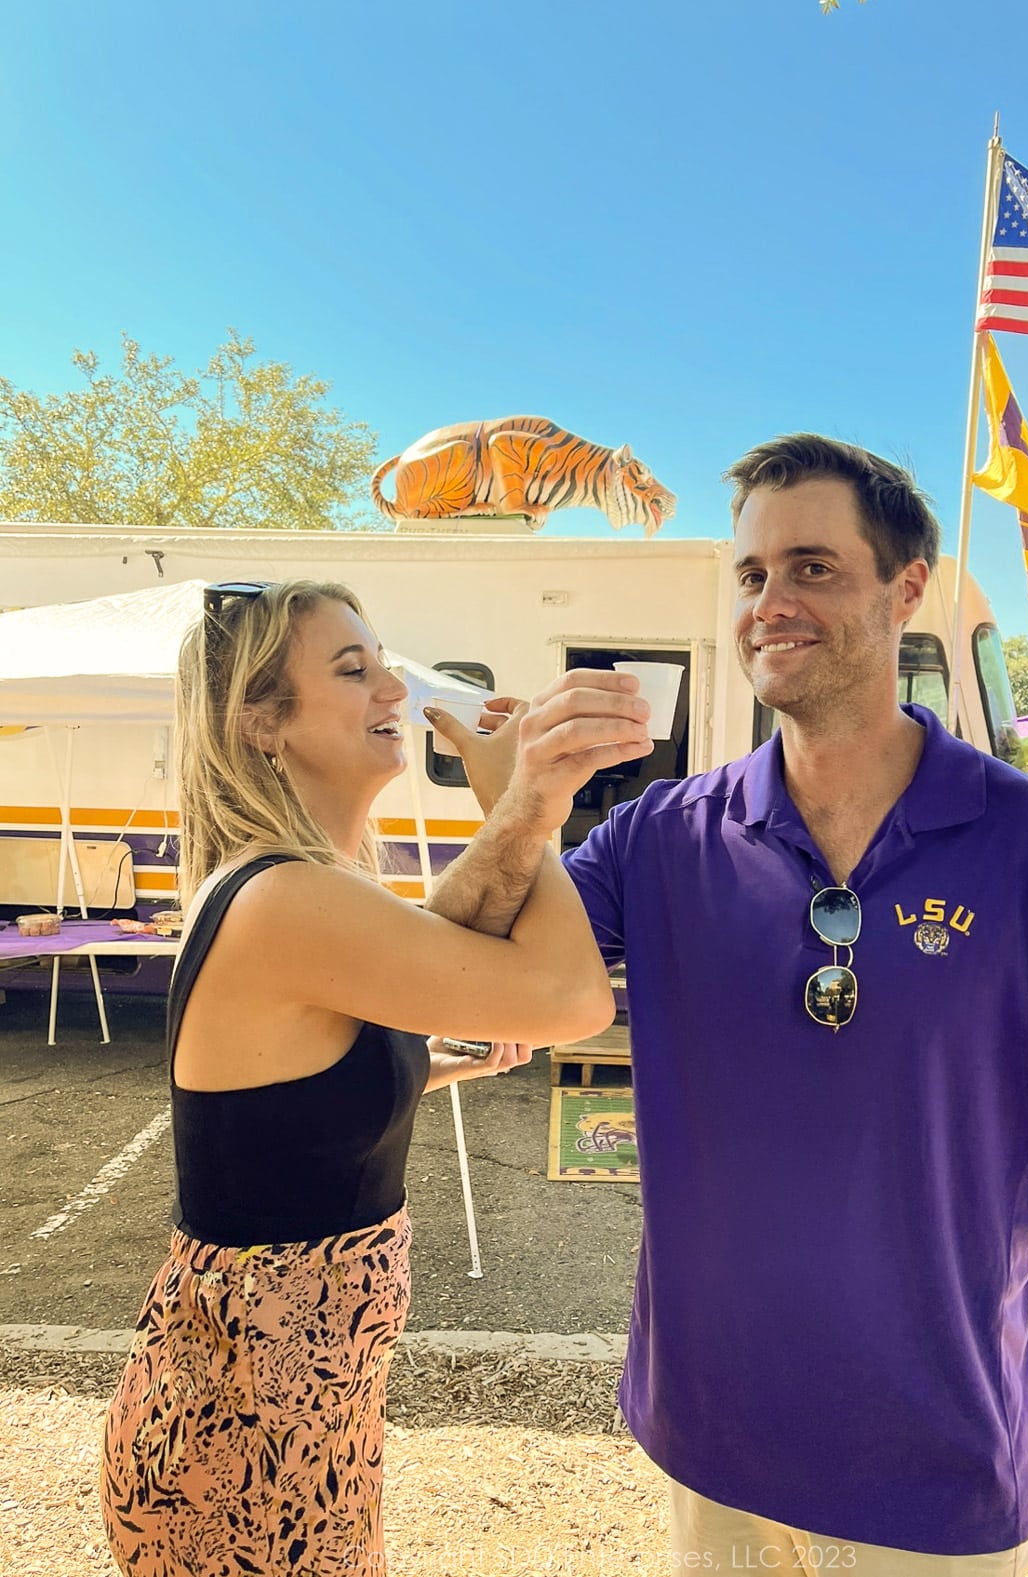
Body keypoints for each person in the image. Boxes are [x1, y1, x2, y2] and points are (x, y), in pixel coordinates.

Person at [454, 437, 1028, 1577]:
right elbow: (456, 975)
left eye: (812, 567)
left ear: (906, 590)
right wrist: (520, 809)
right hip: (712, 1446)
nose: (770, 604)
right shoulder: (664, 836)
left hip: (938, 1466)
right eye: (752, 575)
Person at [100, 577, 653, 1577]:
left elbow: (438, 937)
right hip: (244, 1442)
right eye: (352, 669)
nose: (393, 682)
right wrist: (524, 796)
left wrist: (423, 1064)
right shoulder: (287, 897)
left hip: (290, 1416)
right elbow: (575, 997)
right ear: (263, 723)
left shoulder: (304, 885)